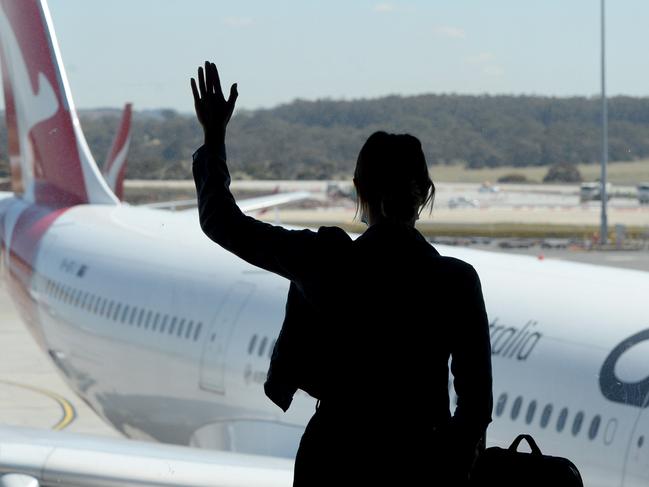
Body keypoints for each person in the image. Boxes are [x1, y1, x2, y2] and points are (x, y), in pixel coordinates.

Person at [191, 61, 493, 486]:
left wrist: (214, 137)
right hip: (418, 459)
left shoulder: (325, 260)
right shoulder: (456, 281)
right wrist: (448, 468)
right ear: (424, 193)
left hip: (334, 456)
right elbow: (476, 406)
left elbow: (221, 221)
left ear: (359, 188)